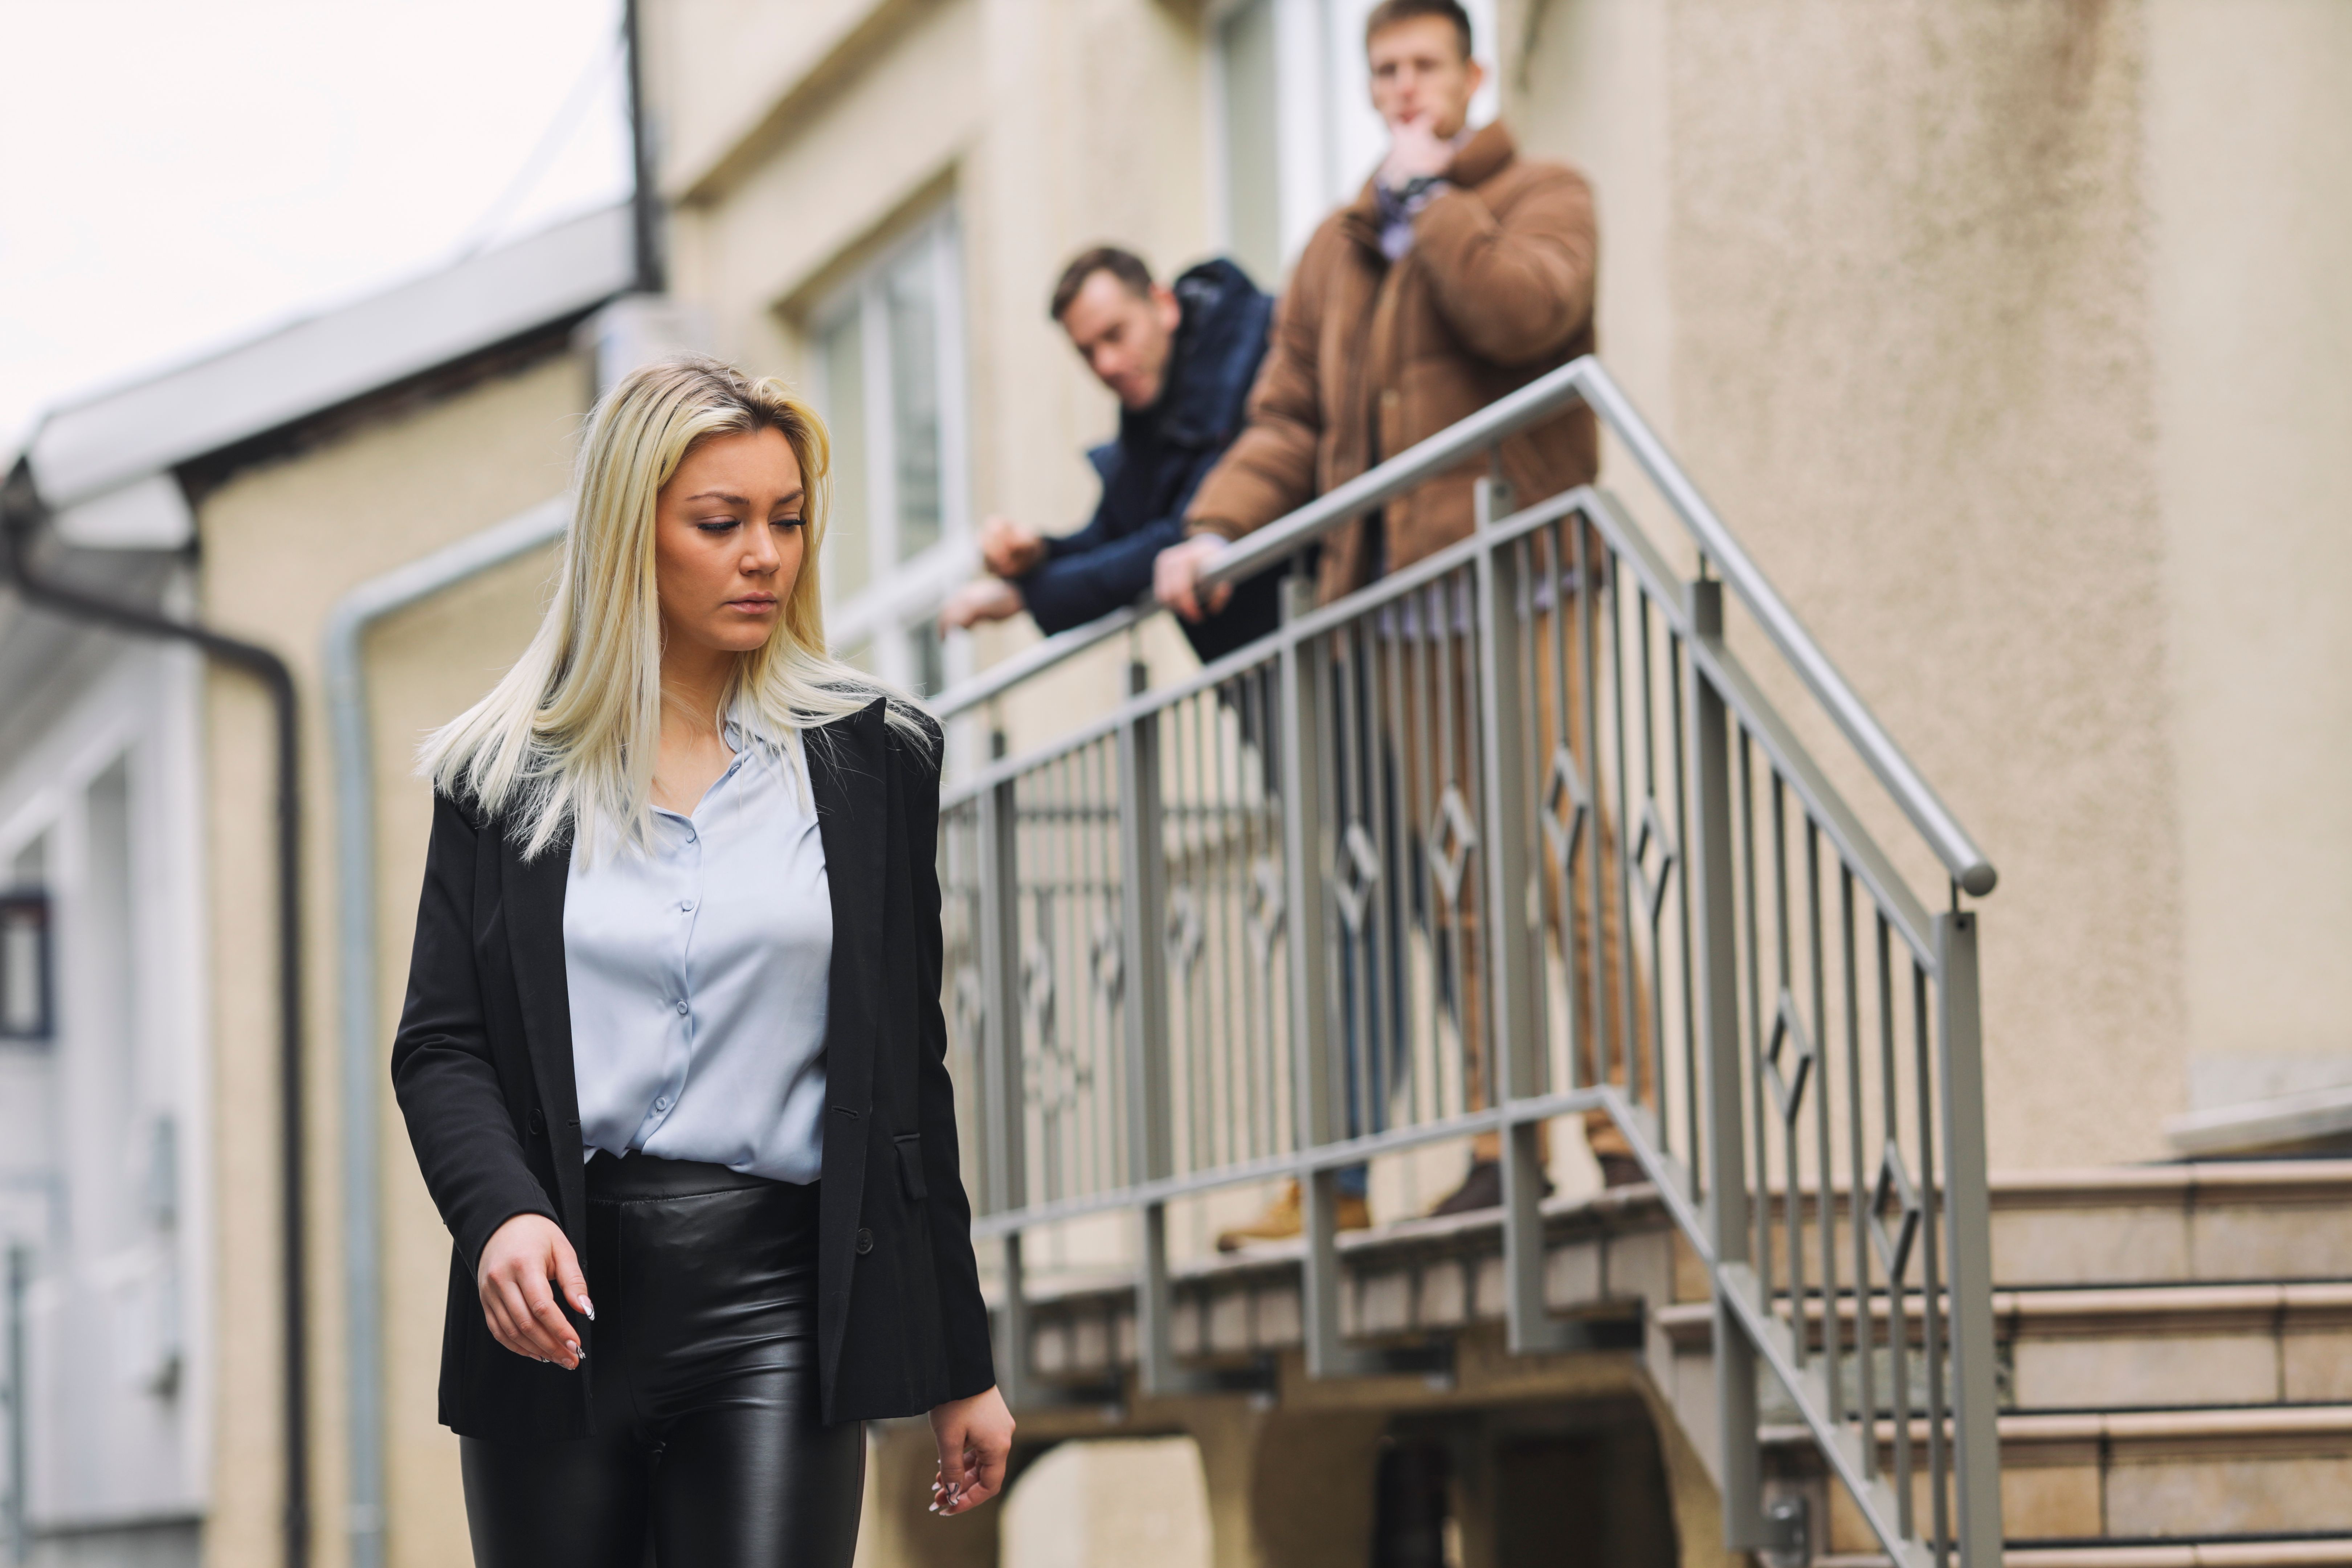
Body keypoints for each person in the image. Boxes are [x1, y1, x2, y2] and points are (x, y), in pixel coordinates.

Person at [393, 357, 1012, 1567]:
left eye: (787, 522)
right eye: (721, 524)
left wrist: (958, 1365)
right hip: (553, 1310)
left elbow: (905, 1080)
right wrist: (501, 1217)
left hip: (778, 1303)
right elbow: (442, 1044)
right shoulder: (498, 774)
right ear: (633, 536)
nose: (765, 557)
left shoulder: (875, 761)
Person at [1156, 0, 1638, 1242]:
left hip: (1524, 572)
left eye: (1427, 66)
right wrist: (1215, 527)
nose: (1406, 89)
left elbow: (1527, 315)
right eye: (1386, 72)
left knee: (1567, 848)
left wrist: (1441, 210)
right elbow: (1288, 419)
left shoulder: (1543, 193)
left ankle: (1619, 1125)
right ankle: (1500, 1139)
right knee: (1462, 874)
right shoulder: (1336, 249)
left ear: (1472, 77)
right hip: (1399, 605)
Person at [938, 247, 1283, 665]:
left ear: (1164, 305)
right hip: (1274, 663)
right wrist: (1039, 553)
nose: (1106, 365)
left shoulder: (1254, 358)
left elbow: (1186, 529)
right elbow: (1115, 532)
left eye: (1116, 335)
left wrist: (1025, 597)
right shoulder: (1150, 414)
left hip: (1332, 628)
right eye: (1087, 352)